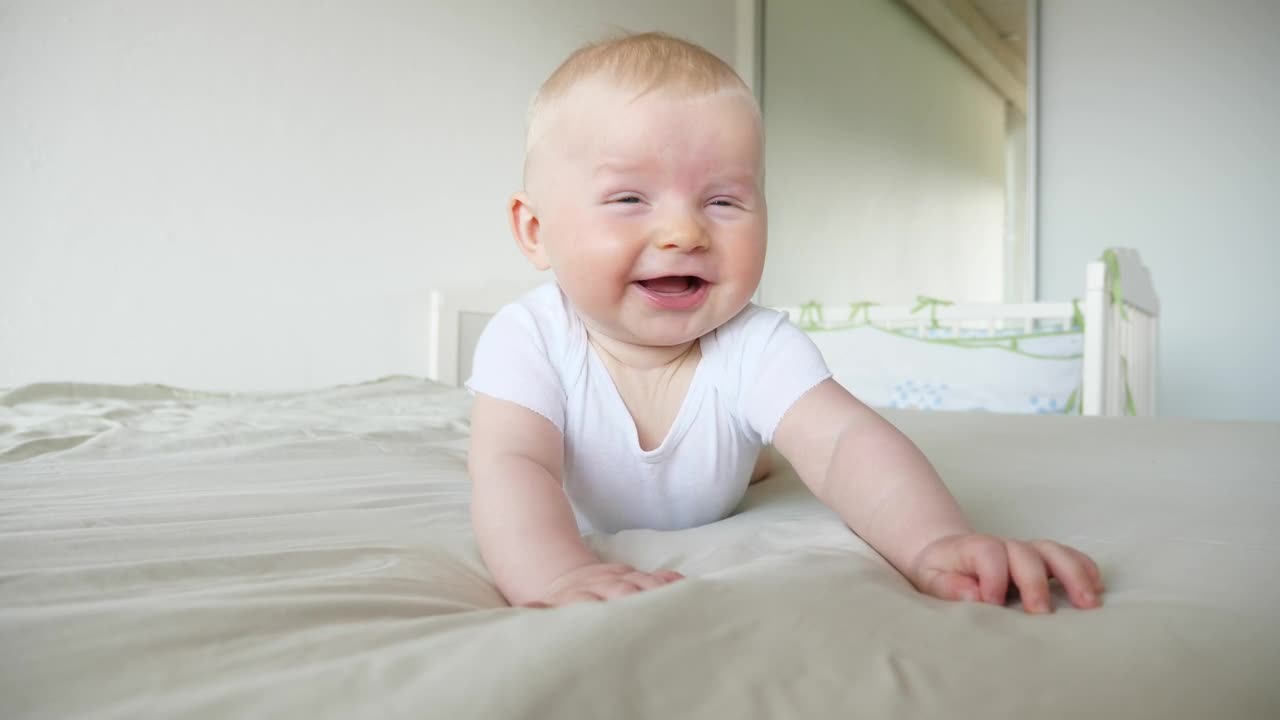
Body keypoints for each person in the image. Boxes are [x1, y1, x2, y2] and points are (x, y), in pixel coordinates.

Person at [466, 32, 1104, 612]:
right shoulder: (530, 338)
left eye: (722, 200)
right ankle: (756, 454)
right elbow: (514, 466)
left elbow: (847, 445)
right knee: (505, 444)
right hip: (564, 495)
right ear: (535, 230)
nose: (684, 232)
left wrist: (936, 541)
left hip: (743, 436)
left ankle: (756, 453)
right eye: (630, 199)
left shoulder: (756, 343)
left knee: (789, 442)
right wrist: (555, 575)